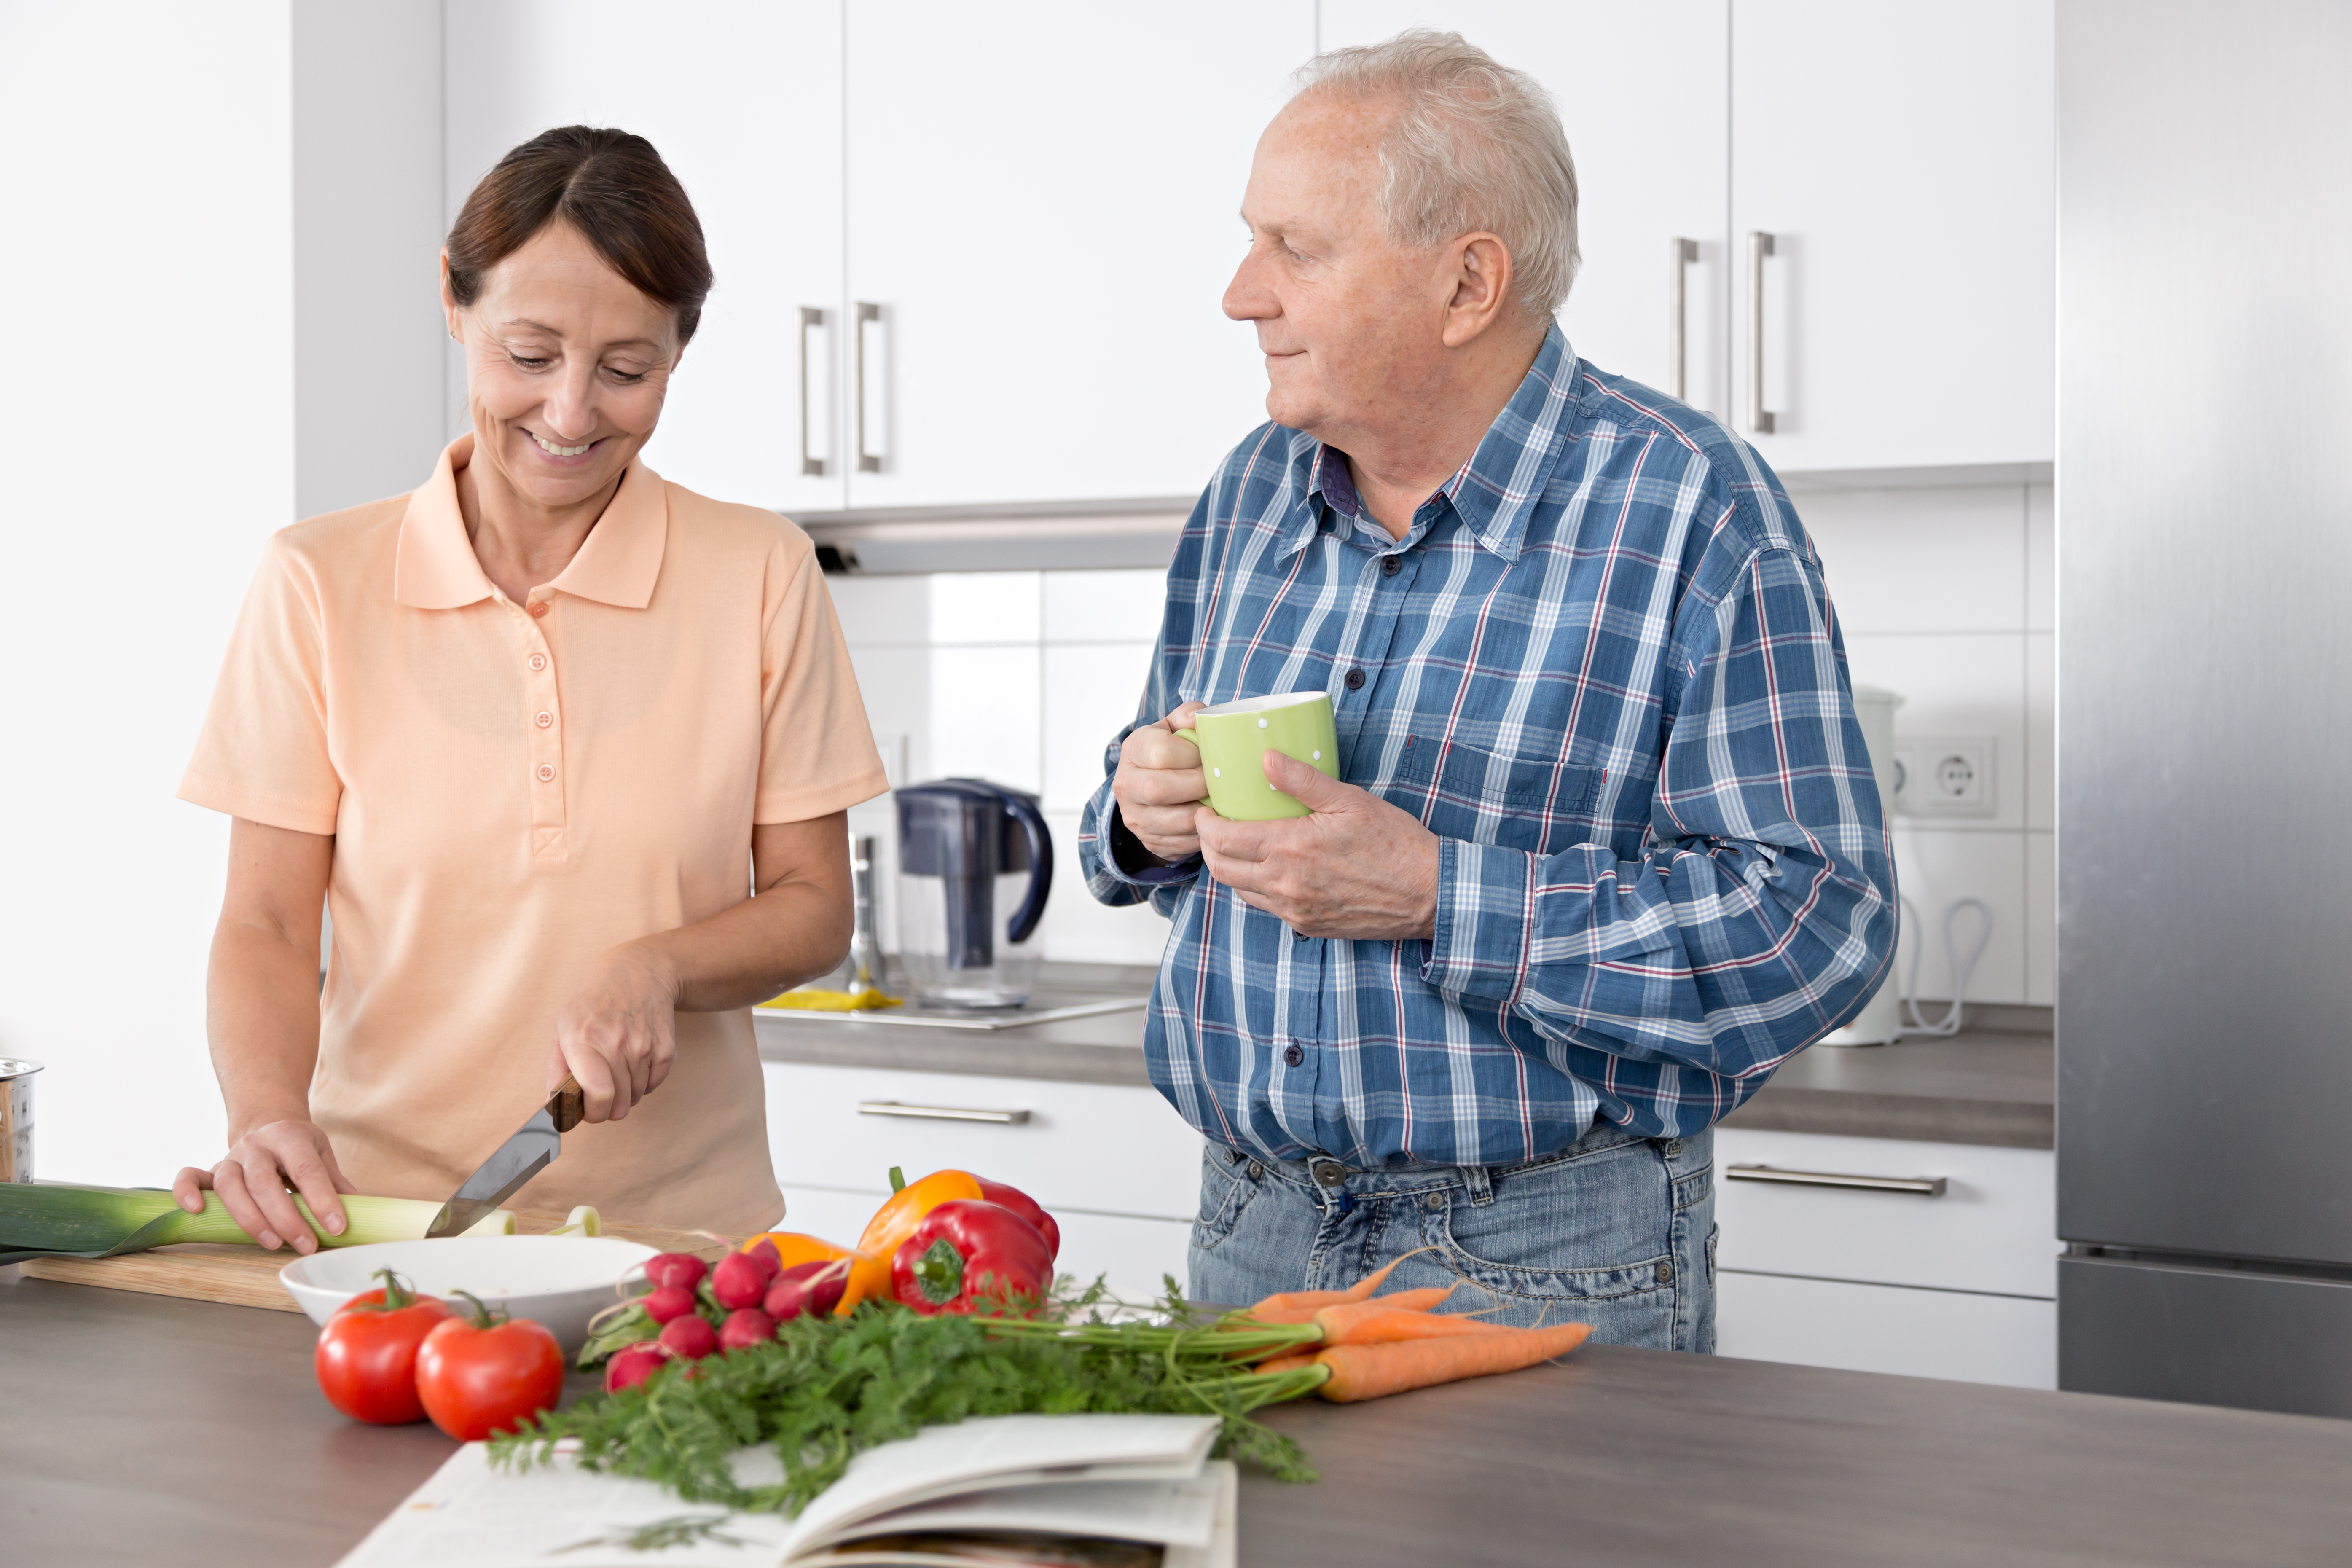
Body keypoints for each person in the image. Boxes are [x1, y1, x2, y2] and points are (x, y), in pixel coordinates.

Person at [1079, 33, 1896, 1348]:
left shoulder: (1687, 507)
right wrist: (1139, 813)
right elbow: (1132, 814)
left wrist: (1438, 897)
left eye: (1295, 249)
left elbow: (1817, 926)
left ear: (1466, 282)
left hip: (1538, 1254)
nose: (1241, 294)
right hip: (1248, 1233)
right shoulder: (1249, 488)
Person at [171, 127, 887, 1249]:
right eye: (530, 355)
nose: (568, 415)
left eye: (625, 370)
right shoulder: (317, 581)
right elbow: (265, 920)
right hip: (385, 1232)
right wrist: (265, 1114)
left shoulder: (758, 571)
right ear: (453, 303)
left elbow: (812, 909)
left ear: (679, 351)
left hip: (683, 1247)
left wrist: (656, 964)